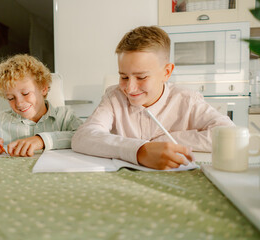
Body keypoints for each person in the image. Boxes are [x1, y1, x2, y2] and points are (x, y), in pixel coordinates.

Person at [71, 26, 235, 170]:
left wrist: (164, 143)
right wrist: (141, 150)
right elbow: (83, 137)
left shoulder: (187, 100)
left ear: (166, 72)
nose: (130, 88)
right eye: (124, 77)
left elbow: (229, 134)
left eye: (141, 77)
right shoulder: (114, 97)